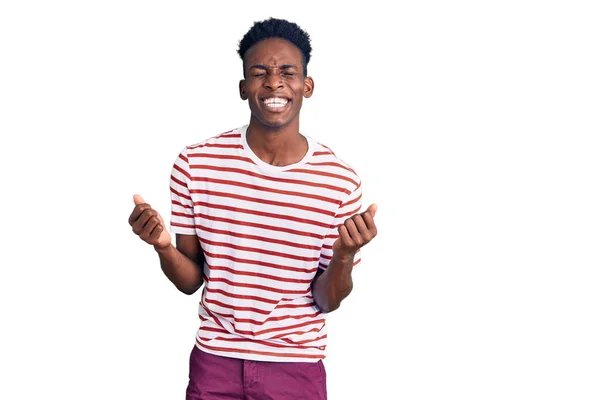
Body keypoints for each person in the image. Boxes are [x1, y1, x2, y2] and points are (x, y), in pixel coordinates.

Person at [128, 17, 378, 400]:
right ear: (244, 88)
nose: (274, 82)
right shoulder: (197, 164)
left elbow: (326, 300)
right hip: (215, 363)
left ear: (307, 86)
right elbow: (190, 281)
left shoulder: (339, 180)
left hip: (296, 367)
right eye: (260, 72)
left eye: (287, 72)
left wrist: (344, 256)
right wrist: (162, 246)